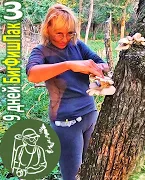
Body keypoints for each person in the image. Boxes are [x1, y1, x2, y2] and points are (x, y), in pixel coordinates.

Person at [26, 4, 109, 180]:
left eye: (70, 33)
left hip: (90, 114)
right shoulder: (41, 51)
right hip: (66, 122)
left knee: (95, 168)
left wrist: (92, 69)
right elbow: (32, 75)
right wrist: (69, 65)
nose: (65, 38)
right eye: (59, 33)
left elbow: (103, 64)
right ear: (47, 28)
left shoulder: (77, 45)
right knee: (72, 175)